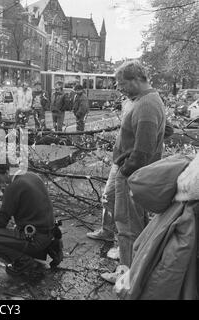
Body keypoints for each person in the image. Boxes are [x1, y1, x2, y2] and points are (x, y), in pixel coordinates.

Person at [101, 60, 166, 283]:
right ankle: (137, 269)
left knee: (127, 224)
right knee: (135, 221)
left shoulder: (146, 105)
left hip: (132, 174)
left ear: (138, 79)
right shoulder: (149, 100)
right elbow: (167, 129)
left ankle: (127, 275)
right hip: (138, 172)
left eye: (122, 84)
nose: (120, 89)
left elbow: (143, 149)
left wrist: (125, 172)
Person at [0, 164, 63, 276]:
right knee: (13, 227)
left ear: (6, 172)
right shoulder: (32, 175)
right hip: (50, 233)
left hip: (35, 239)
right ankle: (51, 248)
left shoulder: (14, 186)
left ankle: (23, 262)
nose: (0, 181)